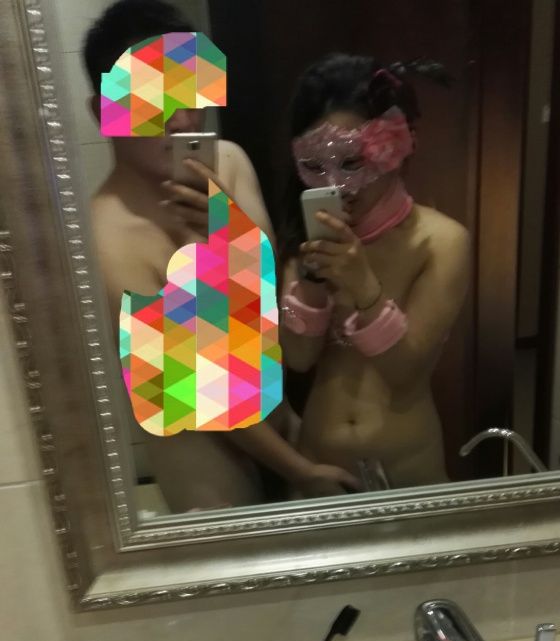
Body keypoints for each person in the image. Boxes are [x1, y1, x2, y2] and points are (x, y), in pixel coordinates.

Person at [83, 1, 358, 512]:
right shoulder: (106, 236)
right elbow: (191, 390)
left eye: (190, 94)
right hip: (205, 459)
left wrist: (229, 237)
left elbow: (267, 302)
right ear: (103, 112)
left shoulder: (227, 164)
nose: (185, 119)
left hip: (278, 420)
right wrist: (302, 472)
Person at [278, 54, 471, 491]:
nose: (335, 184)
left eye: (351, 162)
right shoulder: (305, 241)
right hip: (319, 472)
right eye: (315, 166)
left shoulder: (442, 242)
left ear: (398, 148)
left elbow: (406, 374)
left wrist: (361, 283)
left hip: (406, 473)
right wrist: (313, 278)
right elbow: (300, 358)